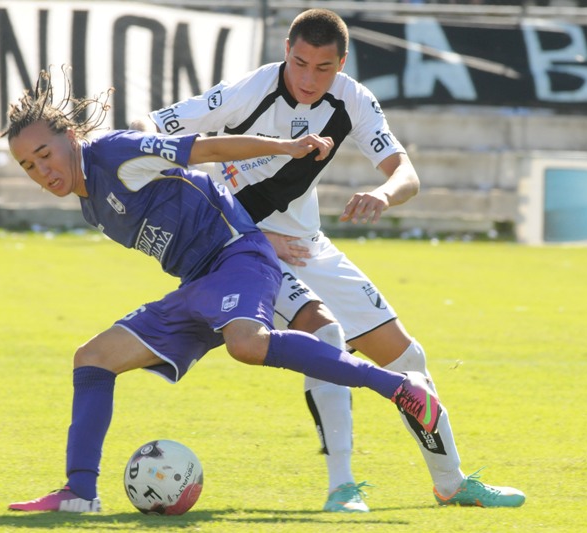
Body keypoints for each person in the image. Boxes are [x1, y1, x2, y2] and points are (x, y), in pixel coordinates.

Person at [0, 68, 442, 513]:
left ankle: (400, 388)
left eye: (44, 154)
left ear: (71, 136)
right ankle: (79, 493)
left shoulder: (115, 153)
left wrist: (285, 148)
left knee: (246, 344)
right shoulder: (89, 201)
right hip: (198, 283)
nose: (42, 170)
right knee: (92, 358)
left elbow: (207, 148)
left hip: (237, 256)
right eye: (28, 165)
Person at [132, 8, 525, 511]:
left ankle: (451, 483)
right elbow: (149, 126)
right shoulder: (247, 91)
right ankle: (342, 486)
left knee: (409, 359)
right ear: (286, 54)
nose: (308, 78)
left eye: (323, 68)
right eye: (299, 63)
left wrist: (384, 195)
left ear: (341, 64)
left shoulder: (353, 99)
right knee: (326, 334)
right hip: (246, 253)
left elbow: (404, 171)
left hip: (309, 246)